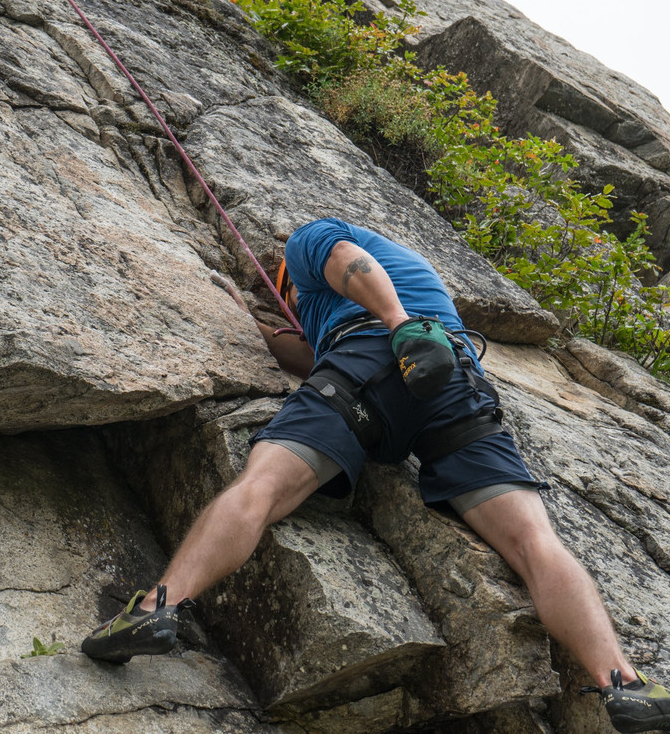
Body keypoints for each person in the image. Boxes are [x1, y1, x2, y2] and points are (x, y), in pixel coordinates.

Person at [81, 218, 670, 733]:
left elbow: (347, 265)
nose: (280, 296)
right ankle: (622, 681)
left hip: (384, 351)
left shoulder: (311, 243)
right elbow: (310, 355)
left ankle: (159, 605)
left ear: (286, 274)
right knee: (534, 542)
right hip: (453, 384)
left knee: (258, 488)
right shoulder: (351, 306)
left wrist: (397, 324)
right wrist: (255, 325)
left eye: (278, 290)